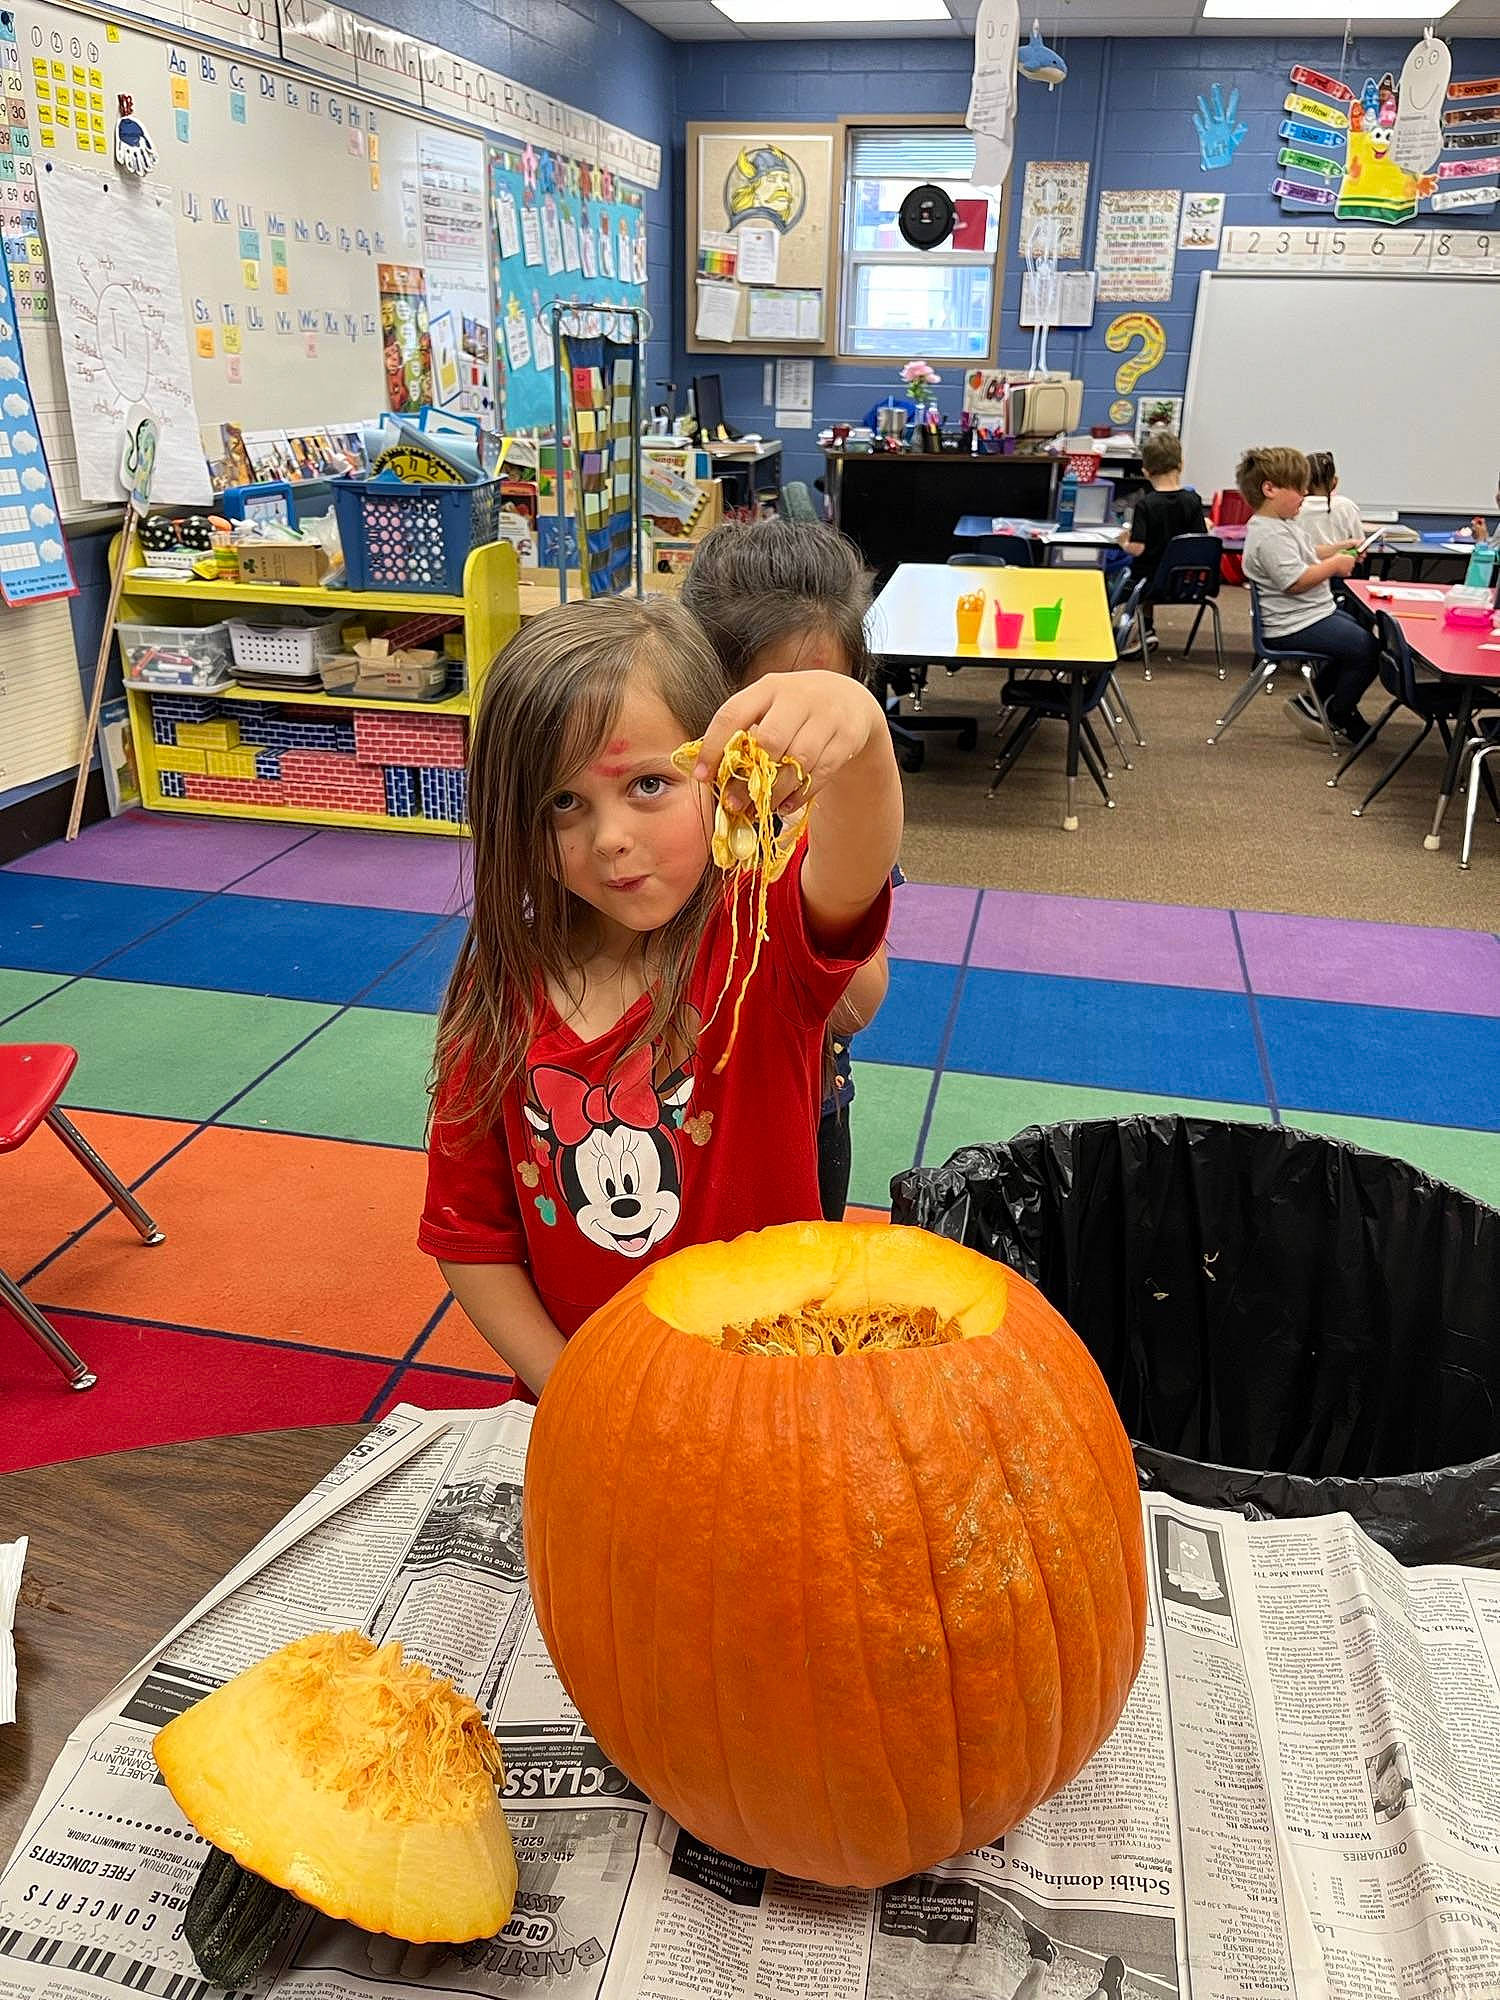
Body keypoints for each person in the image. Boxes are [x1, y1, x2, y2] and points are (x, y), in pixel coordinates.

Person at [419, 594, 900, 1400]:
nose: (609, 839)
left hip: (769, 1395)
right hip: (584, 1398)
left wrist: (863, 733)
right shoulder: (497, 986)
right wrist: (570, 1387)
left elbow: (855, 869)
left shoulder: (760, 939)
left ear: (721, 776)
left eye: (647, 784)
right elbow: (470, 1230)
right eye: (562, 803)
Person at [682, 515, 895, 1222]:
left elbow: (856, 1006)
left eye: (826, 701)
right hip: (667, 1101)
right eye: (763, 704)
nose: (791, 734)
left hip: (805, 1111)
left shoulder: (842, 814)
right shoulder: (659, 806)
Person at [1238, 444, 1378, 746]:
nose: (1304, 494)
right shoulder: (1269, 535)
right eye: (1298, 488)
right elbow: (1295, 582)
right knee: (1366, 649)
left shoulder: (1281, 525)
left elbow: (1308, 553)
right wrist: (1335, 565)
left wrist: (1341, 547)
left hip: (1309, 614)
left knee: (1360, 637)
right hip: (1290, 625)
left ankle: (1315, 701)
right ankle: (1339, 713)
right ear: (1269, 489)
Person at [1118, 431, 1206, 646]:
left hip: (1150, 582)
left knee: (1119, 581)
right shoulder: (1193, 500)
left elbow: (1138, 548)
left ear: (1145, 471)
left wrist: (1124, 543)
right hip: (1187, 583)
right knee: (1154, 571)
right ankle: (1146, 631)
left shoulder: (1146, 505)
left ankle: (1132, 633)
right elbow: (1200, 539)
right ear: (1181, 465)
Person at [1301, 451, 1366, 550]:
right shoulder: (1346, 506)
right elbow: (1360, 544)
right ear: (1334, 481)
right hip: (1342, 559)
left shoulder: (1296, 508)